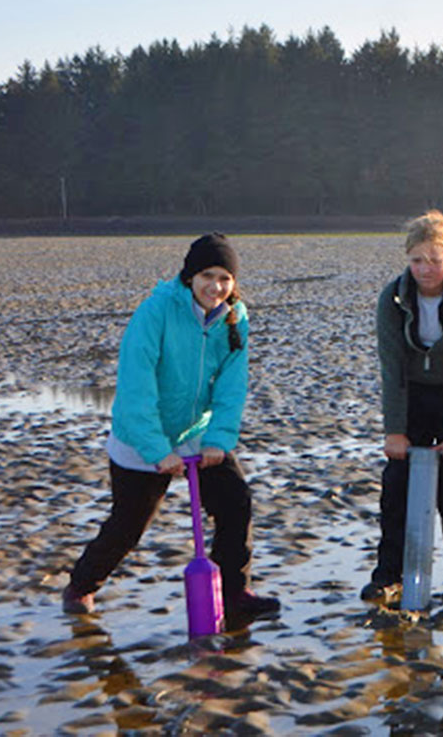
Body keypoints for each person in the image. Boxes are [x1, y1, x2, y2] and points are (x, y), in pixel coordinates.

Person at [63, 233, 280, 625]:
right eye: (207, 275)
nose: (215, 286)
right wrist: (156, 450)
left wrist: (218, 440)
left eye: (225, 278)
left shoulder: (235, 317)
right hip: (141, 435)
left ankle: (232, 591)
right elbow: (136, 388)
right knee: (129, 525)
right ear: (189, 276)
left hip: (196, 431)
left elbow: (232, 387)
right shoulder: (155, 312)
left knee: (235, 503)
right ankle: (81, 586)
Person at [361, 211, 443, 608]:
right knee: (397, 486)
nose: (425, 269)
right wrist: (395, 431)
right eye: (417, 260)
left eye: (434, 259)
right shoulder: (393, 298)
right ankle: (388, 576)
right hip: (413, 390)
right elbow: (393, 368)